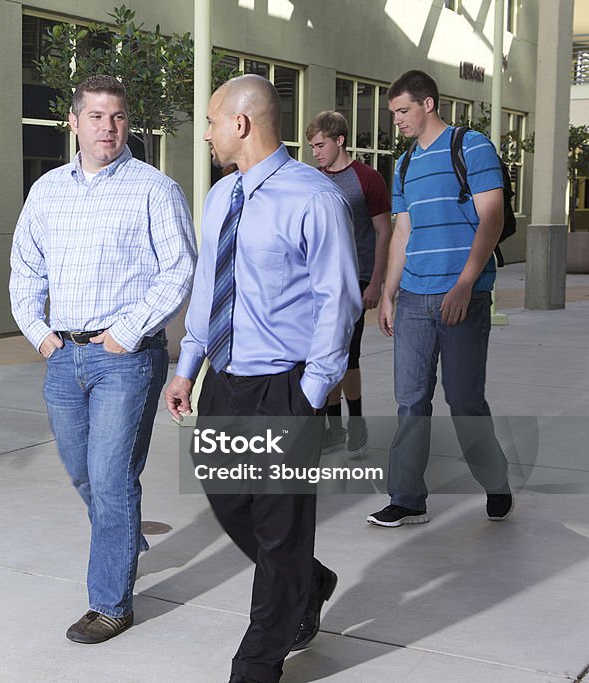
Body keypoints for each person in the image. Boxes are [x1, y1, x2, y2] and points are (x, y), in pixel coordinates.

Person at [165, 75, 360, 683]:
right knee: (231, 503)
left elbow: (339, 301)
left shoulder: (312, 197)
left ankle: (259, 659)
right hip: (223, 379)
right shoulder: (221, 197)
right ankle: (311, 580)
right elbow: (207, 290)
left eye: (211, 120)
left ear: (242, 124)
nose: (206, 132)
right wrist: (187, 367)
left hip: (285, 384)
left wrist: (310, 392)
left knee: (280, 529)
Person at [9, 75, 196, 644]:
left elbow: (180, 268)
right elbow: (25, 267)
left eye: (116, 117)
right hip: (62, 354)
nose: (107, 127)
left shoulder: (153, 188)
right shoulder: (46, 191)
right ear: (74, 122)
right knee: (82, 471)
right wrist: (40, 335)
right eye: (95, 116)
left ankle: (110, 603)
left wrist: (126, 331)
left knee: (113, 478)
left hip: (126, 358)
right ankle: (123, 536)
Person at [368, 70, 513, 528]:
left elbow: (492, 216)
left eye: (403, 111)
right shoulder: (406, 164)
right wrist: (389, 294)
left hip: (462, 295)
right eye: (393, 114)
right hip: (414, 296)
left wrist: (467, 284)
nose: (398, 121)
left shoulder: (471, 147)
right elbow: (402, 232)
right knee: (411, 399)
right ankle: (407, 498)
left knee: (465, 399)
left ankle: (495, 481)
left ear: (428, 104)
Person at [306, 111, 392, 454]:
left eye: (320, 145)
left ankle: (354, 425)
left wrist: (376, 283)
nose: (315, 152)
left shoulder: (368, 179)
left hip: (356, 279)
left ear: (339, 140)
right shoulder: (312, 178)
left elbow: (384, 231)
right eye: (312, 146)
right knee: (324, 352)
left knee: (347, 354)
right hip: (320, 281)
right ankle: (333, 427)